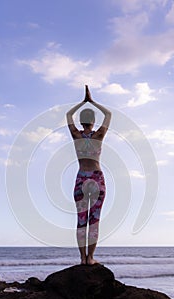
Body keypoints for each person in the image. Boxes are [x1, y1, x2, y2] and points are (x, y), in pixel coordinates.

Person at [66, 85, 111, 265]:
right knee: (94, 220)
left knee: (81, 220)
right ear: (93, 121)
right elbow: (108, 115)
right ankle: (91, 258)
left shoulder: (76, 135)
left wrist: (81, 102)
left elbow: (68, 116)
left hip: (81, 179)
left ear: (82, 121)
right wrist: (92, 101)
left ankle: (82, 258)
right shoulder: (98, 135)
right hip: (97, 178)